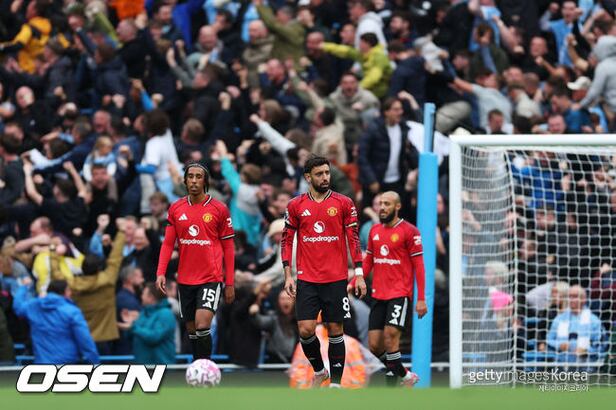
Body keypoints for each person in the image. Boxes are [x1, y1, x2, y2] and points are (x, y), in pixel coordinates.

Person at [281, 156, 367, 388]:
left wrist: (359, 273)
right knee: (306, 330)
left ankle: (336, 385)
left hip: (336, 278)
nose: (325, 177)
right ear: (308, 177)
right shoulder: (296, 205)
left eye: (327, 173)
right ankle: (320, 370)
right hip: (307, 278)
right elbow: (287, 240)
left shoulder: (343, 203)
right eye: (319, 174)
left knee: (336, 329)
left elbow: (353, 239)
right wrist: (288, 274)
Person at [155, 161, 235, 361]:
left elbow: (228, 248)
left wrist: (230, 282)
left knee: (202, 325)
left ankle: (206, 368)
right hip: (185, 279)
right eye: (190, 176)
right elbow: (168, 244)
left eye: (199, 177)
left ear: (205, 181)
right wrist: (160, 272)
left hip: (210, 278)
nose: (194, 181)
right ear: (184, 181)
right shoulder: (176, 208)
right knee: (192, 330)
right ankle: (199, 366)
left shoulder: (219, 209)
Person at [354, 191, 427, 387]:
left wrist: (421, 298)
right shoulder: (374, 230)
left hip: (399, 294)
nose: (382, 207)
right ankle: (405, 375)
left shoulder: (410, 231)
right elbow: (368, 260)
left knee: (390, 338)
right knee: (375, 346)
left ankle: (392, 388)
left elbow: (419, 266)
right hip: (378, 295)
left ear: (397, 206)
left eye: (387, 204)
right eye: (380, 204)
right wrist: (356, 280)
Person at [12, 279, 99, 364]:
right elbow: (85, 340)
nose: (71, 293)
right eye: (69, 290)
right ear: (65, 292)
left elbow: (18, 307)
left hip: (42, 364)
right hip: (67, 364)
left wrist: (23, 287)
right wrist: (94, 362)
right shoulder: (72, 311)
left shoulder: (33, 306)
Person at [119, 282, 176, 364]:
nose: (141, 296)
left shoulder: (166, 314)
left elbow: (154, 337)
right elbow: (133, 334)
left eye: (143, 294)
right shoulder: (143, 313)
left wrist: (132, 327)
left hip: (162, 367)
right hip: (142, 367)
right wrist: (130, 325)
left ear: (151, 297)